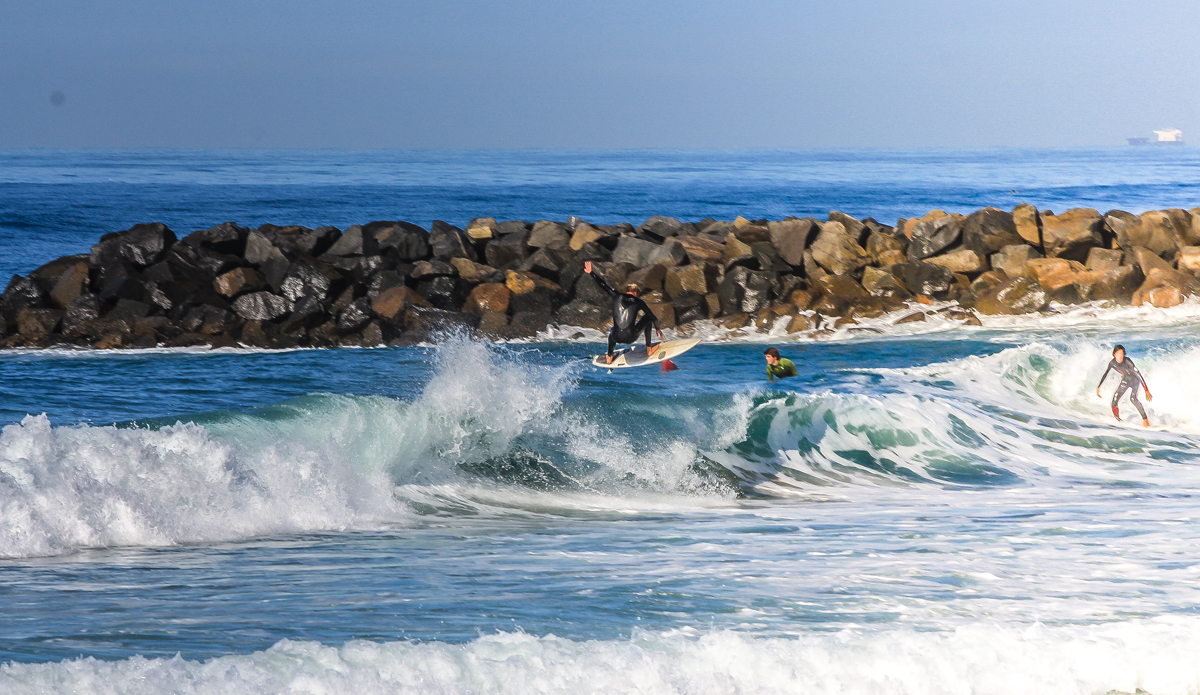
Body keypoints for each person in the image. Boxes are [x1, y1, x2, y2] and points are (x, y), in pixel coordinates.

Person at [584, 261, 663, 364]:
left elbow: (603, 285)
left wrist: (591, 273)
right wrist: (658, 329)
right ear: (636, 293)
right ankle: (649, 350)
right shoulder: (639, 301)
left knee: (612, 330)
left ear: (627, 292)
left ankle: (609, 356)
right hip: (631, 337)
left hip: (616, 337)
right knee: (647, 318)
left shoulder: (617, 296)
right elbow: (653, 317)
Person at [1096, 344, 1153, 427]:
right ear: (1114, 354)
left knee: (1133, 399)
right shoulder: (1112, 363)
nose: (1120, 355)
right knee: (1114, 401)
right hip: (1125, 381)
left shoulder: (1128, 361)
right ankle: (1118, 421)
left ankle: (1146, 420)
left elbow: (1138, 374)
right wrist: (1099, 387)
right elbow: (1106, 373)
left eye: (1122, 353)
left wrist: (1146, 390)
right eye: (1118, 353)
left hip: (1134, 381)